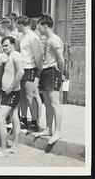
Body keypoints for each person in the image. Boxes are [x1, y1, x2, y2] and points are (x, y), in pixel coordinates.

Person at [35, 15, 64, 145]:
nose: (38, 28)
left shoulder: (54, 40)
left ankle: (57, 132)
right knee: (47, 103)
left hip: (53, 71)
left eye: (39, 26)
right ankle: (48, 129)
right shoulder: (47, 40)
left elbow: (61, 60)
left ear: (45, 26)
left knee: (54, 103)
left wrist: (61, 74)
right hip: (46, 72)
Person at [0, 36, 24, 157]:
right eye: (3, 46)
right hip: (7, 92)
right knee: (14, 118)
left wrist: (12, 86)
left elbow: (21, 71)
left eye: (6, 45)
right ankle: (15, 147)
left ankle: (3, 150)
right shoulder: (9, 56)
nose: (4, 48)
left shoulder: (16, 55)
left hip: (11, 92)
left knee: (0, 120)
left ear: (13, 45)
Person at [16, 16, 42, 132]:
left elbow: (37, 57)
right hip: (23, 68)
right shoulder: (23, 37)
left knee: (29, 95)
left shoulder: (33, 37)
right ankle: (24, 119)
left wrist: (38, 71)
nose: (16, 27)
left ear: (21, 25)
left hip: (30, 68)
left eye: (17, 25)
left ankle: (35, 121)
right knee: (22, 96)